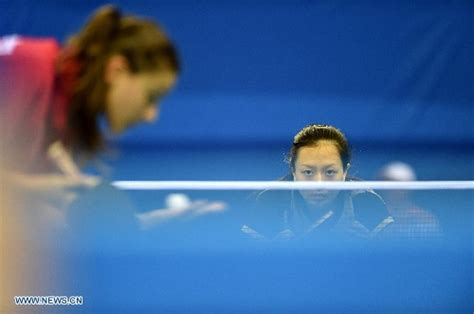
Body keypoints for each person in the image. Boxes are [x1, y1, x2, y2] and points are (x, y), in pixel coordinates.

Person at [0, 5, 225, 236]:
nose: (151, 115)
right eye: (151, 96)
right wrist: (36, 189)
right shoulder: (27, 64)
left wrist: (144, 224)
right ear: (117, 70)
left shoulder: (68, 120)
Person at [241, 124, 394, 243]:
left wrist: (367, 250)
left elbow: (392, 267)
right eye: (308, 172)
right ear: (293, 171)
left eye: (329, 172)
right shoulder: (271, 202)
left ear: (345, 171)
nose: (319, 183)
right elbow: (246, 266)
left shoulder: (366, 202)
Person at [375, 161, 442, 241]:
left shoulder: (423, 219)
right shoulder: (371, 216)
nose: (389, 188)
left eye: (396, 184)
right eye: (385, 183)